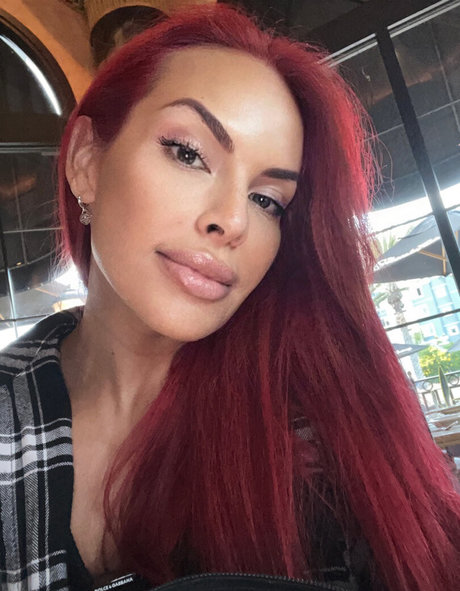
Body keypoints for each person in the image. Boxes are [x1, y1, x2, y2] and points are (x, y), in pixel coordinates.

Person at [0, 5, 459, 591]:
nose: (232, 222)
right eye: (188, 153)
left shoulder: (322, 447)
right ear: (87, 160)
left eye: (267, 200)